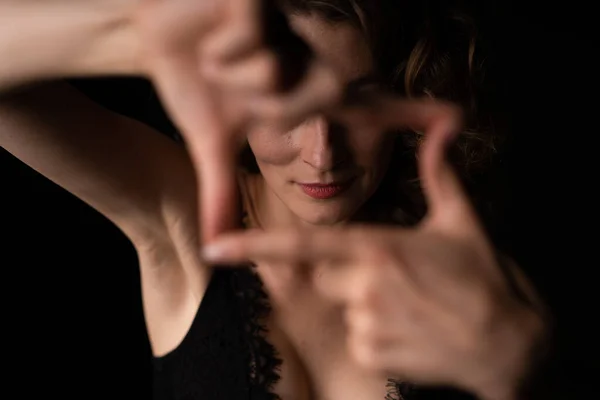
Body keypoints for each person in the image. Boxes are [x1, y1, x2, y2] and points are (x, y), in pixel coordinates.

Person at [0, 1, 549, 399]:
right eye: (285, 102)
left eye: (358, 104)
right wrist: (132, 30)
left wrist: (516, 377)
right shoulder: (183, 214)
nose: (321, 154)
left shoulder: (458, 264)